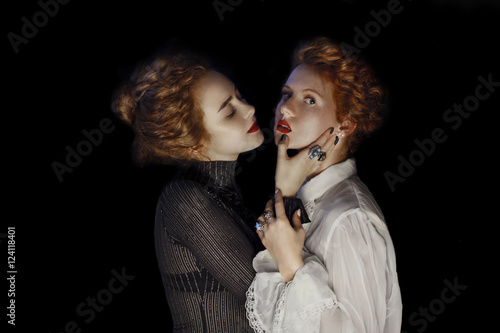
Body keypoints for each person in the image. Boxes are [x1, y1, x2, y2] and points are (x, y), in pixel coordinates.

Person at [111, 46, 325, 332]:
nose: (249, 109)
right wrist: (285, 189)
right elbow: (275, 310)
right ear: (194, 145)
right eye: (229, 112)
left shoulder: (222, 193)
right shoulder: (183, 201)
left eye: (239, 97)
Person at [246, 37, 403, 333]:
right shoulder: (308, 196)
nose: (285, 109)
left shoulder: (349, 219)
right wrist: (285, 192)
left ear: (345, 125)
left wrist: (292, 266)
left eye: (309, 100)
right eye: (286, 94)